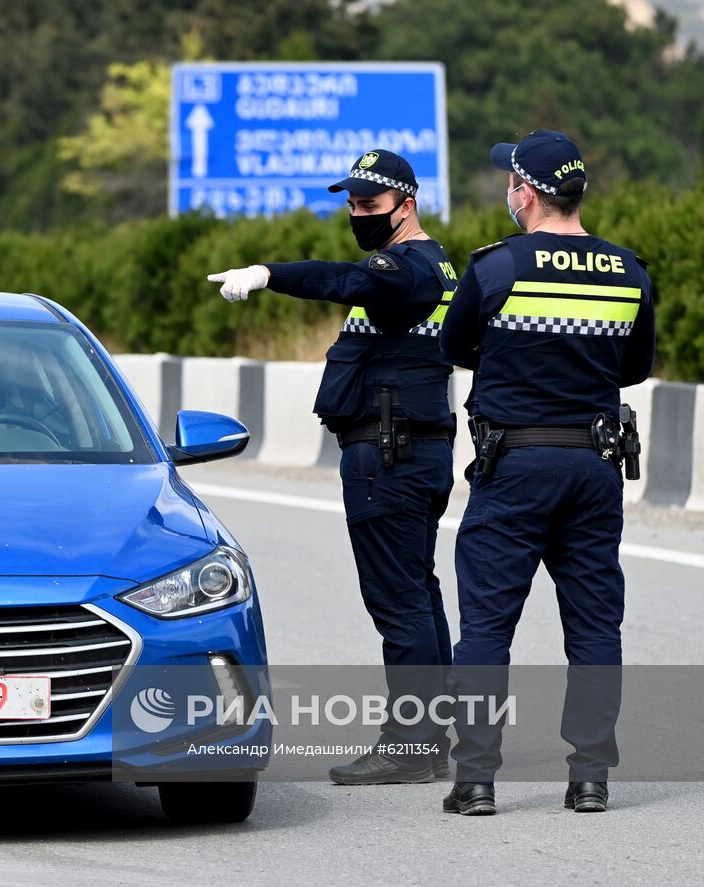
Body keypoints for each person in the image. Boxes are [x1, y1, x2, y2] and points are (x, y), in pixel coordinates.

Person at [207, 149, 458, 785]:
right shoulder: (428, 266)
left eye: (370, 205)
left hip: (389, 454)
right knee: (416, 593)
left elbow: (347, 279)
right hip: (407, 449)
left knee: (398, 602)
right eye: (350, 203)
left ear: (408, 205)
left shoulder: (407, 269)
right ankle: (429, 734)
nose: (357, 214)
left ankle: (411, 743)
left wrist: (269, 272)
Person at [438, 129, 655, 816]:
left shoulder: (496, 268)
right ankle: (590, 776)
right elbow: (636, 367)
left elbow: (455, 345)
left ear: (525, 193)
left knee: (486, 627)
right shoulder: (629, 272)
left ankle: (475, 780)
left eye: (510, 180)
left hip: (514, 465)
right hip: (593, 466)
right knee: (595, 624)